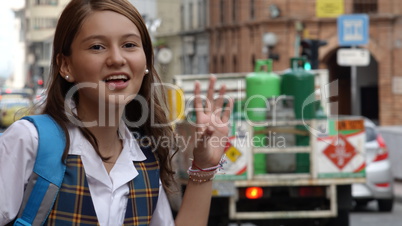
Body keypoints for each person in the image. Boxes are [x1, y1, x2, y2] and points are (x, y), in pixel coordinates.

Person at [0, 0, 232, 225]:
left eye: (129, 45)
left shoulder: (145, 159)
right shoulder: (30, 141)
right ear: (65, 65)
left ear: (146, 60)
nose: (117, 59)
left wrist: (204, 167)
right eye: (97, 47)